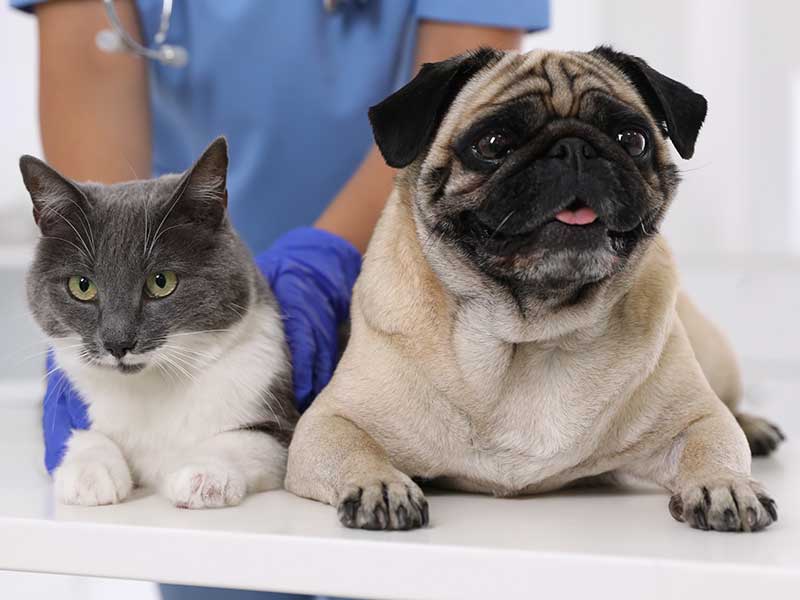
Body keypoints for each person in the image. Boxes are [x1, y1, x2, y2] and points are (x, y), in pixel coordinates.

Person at [12, 1, 548, 598]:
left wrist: (322, 262)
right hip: (181, 305)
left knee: (413, 553)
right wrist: (94, 272)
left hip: (402, 281)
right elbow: (90, 71)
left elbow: (464, 99)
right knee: (222, 560)